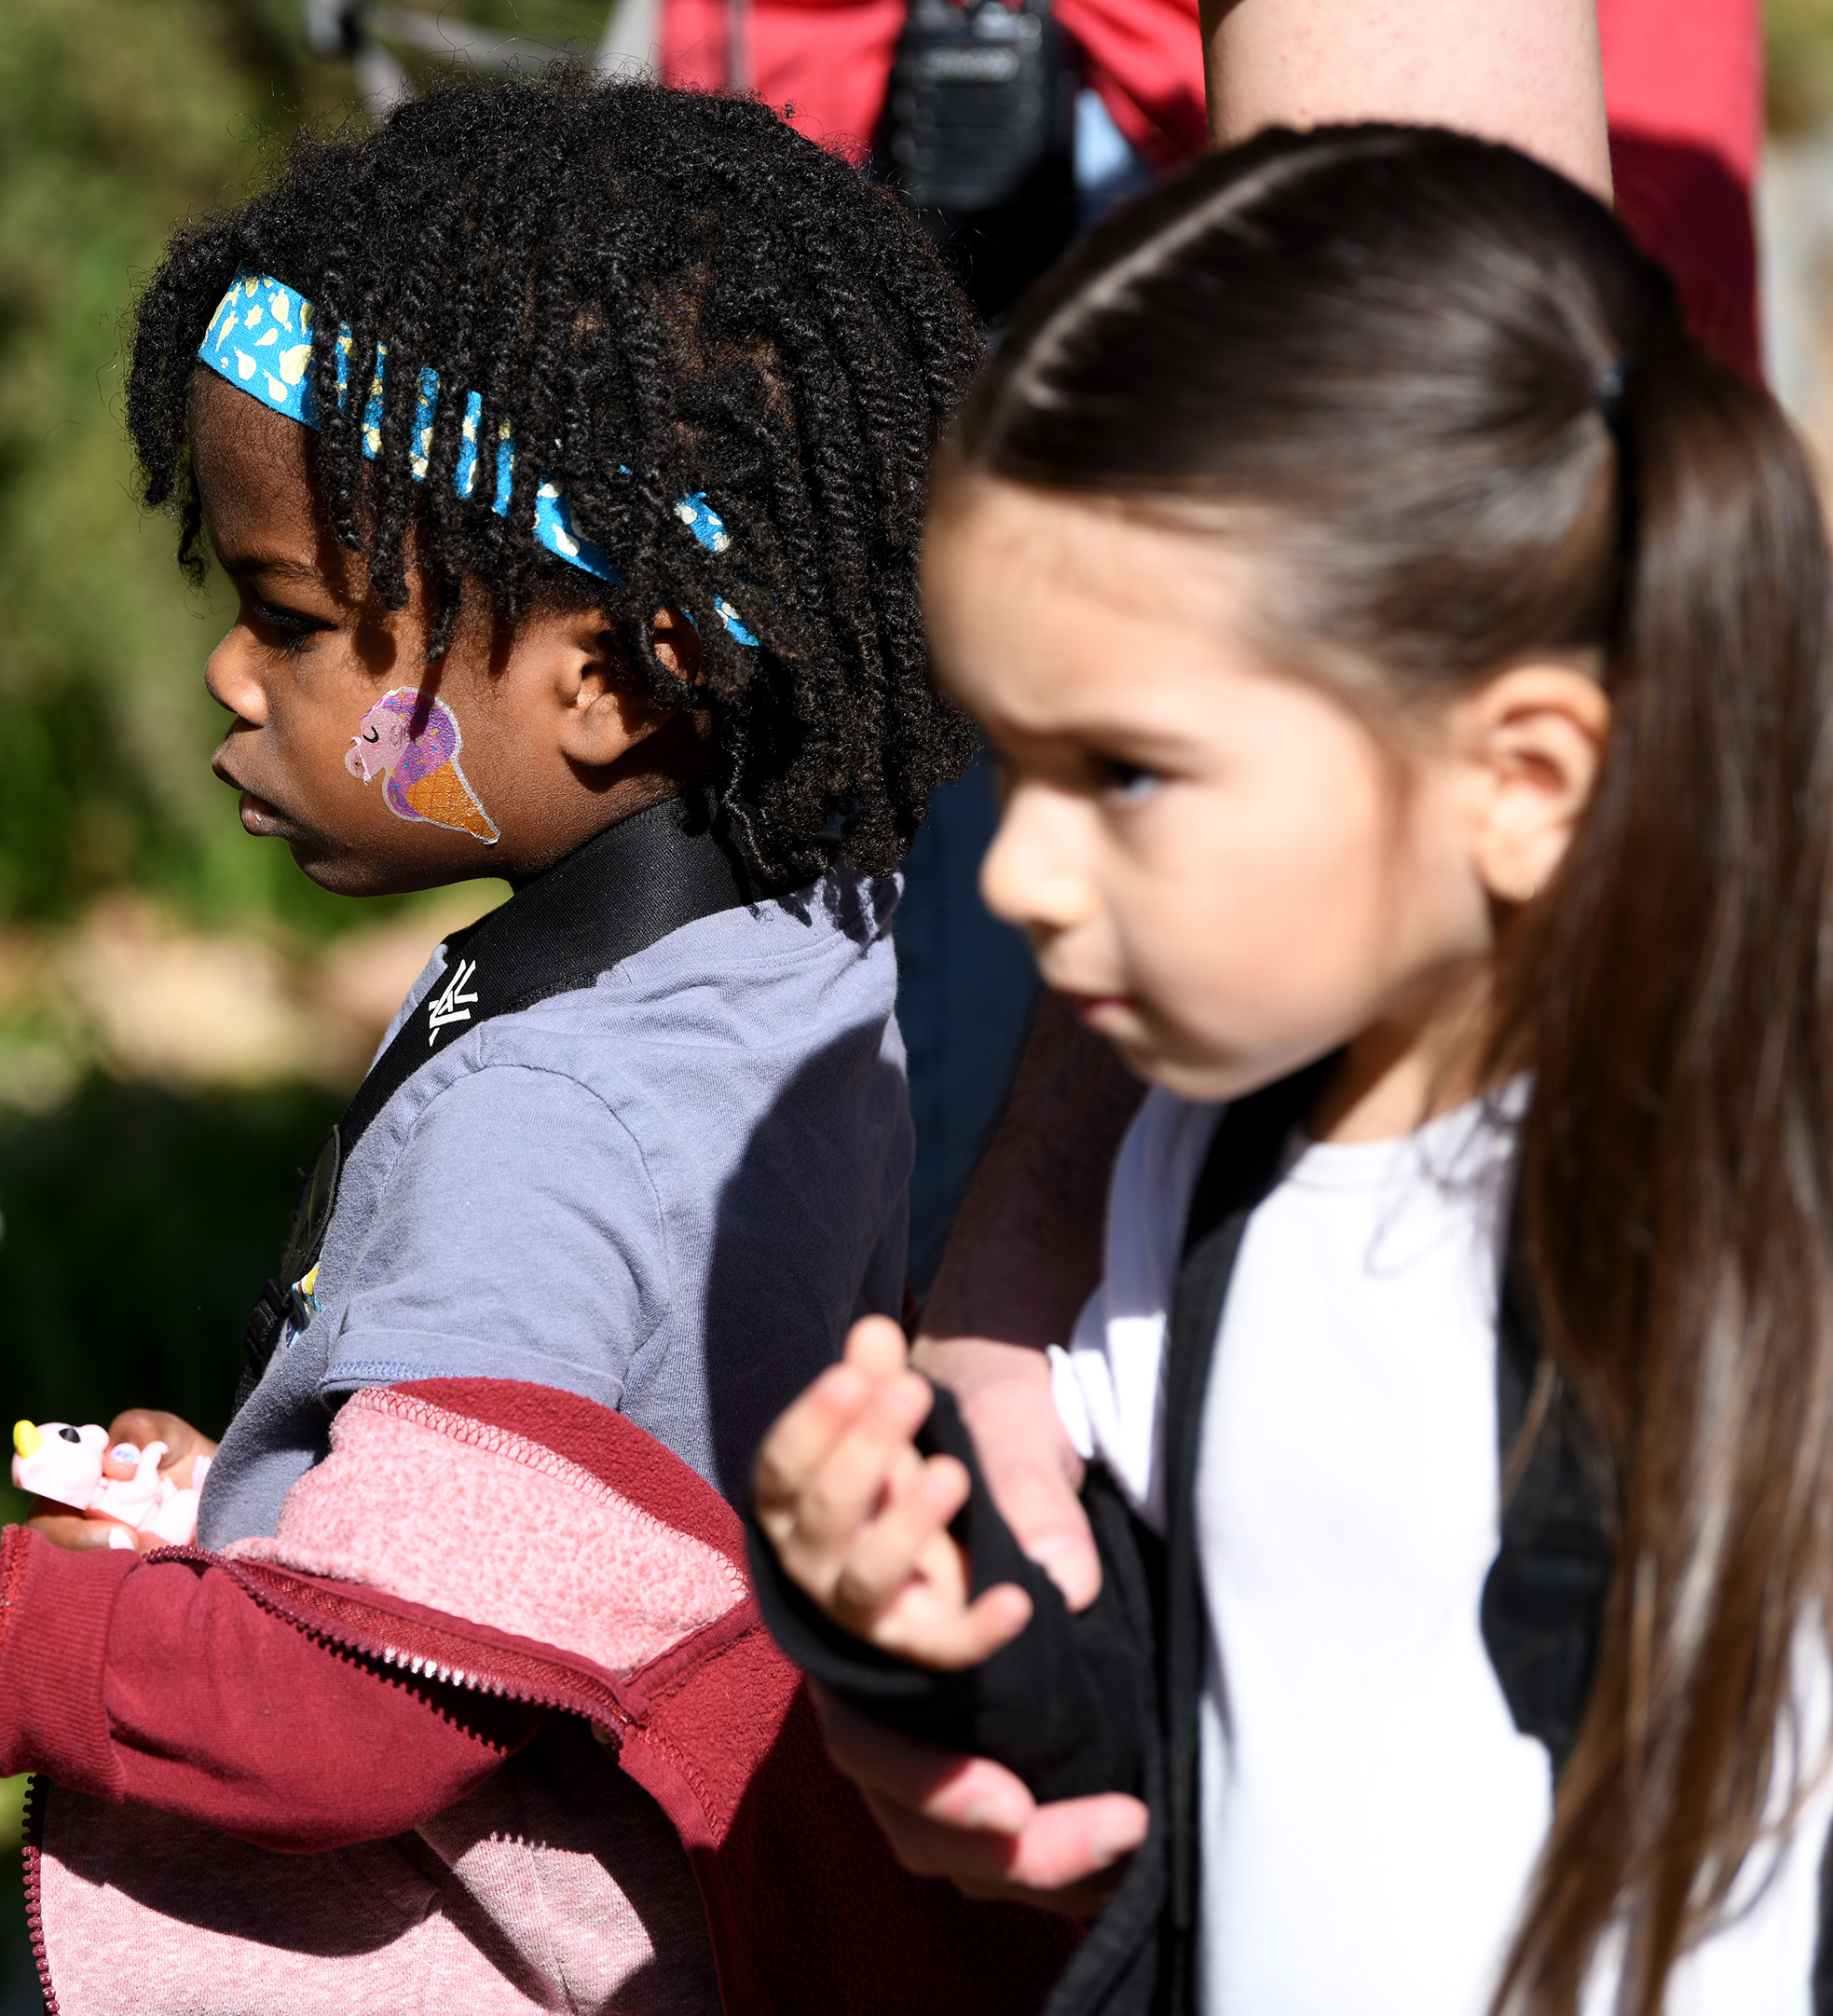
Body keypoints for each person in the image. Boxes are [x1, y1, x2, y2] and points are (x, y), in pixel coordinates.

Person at [0, 79, 1082, 2015]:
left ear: (603, 682)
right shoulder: (787, 958)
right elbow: (582, 1491)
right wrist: (263, 1492)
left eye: (298, 617)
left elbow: (349, 1723)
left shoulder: (550, 1121)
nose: (234, 678)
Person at [750, 118, 1833, 2013]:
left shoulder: (1734, 1231)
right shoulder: (1210, 1177)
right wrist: (929, 1617)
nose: (1013, 874)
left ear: (1524, 780)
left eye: (1130, 773)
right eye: (1009, 764)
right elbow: (1173, 1711)